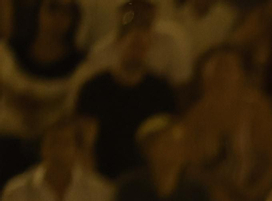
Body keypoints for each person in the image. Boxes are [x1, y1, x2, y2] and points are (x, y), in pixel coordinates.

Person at [182, 45, 272, 201]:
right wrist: (222, 193)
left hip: (254, 195)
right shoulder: (195, 118)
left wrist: (255, 193)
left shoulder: (258, 110)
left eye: (227, 68)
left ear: (241, 75)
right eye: (215, 70)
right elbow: (192, 170)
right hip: (213, 199)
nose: (221, 76)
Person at [73, 13, 178, 180]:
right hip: (102, 175)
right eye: (133, 44)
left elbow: (167, 137)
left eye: (143, 46)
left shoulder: (161, 91)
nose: (138, 51)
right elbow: (84, 141)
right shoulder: (94, 88)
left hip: (145, 178)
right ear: (119, 44)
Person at [0, 0, 85, 182]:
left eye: (65, 12)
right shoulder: (8, 52)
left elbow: (72, 103)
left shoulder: (80, 64)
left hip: (53, 148)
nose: (57, 18)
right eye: (52, 8)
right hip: (7, 141)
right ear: (38, 12)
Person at [77, 0, 192, 86]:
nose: (138, 14)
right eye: (132, 8)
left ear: (155, 11)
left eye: (144, 8)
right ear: (120, 12)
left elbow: (181, 86)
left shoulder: (172, 39)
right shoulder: (101, 51)